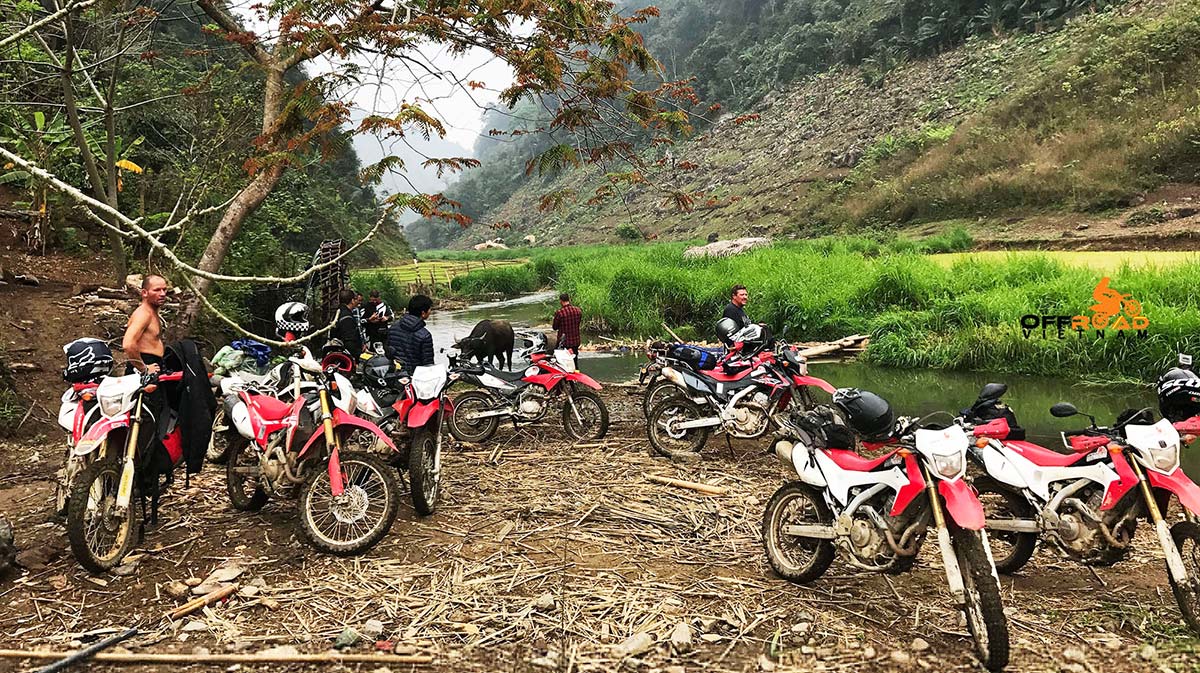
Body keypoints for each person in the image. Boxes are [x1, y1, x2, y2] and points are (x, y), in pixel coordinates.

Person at [123, 274, 169, 373]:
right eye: (157, 290)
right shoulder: (143, 314)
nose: (162, 294)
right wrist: (144, 368)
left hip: (154, 364)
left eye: (164, 290)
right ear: (144, 293)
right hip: (145, 364)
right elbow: (128, 344)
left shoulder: (151, 313)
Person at [386, 294, 434, 374]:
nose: (430, 312)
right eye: (429, 309)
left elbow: (389, 352)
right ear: (423, 313)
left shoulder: (393, 327)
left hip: (395, 374)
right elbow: (428, 364)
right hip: (416, 376)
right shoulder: (425, 335)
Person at [333, 289, 363, 354]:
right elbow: (349, 342)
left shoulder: (337, 313)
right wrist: (358, 354)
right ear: (352, 300)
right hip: (346, 356)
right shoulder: (347, 318)